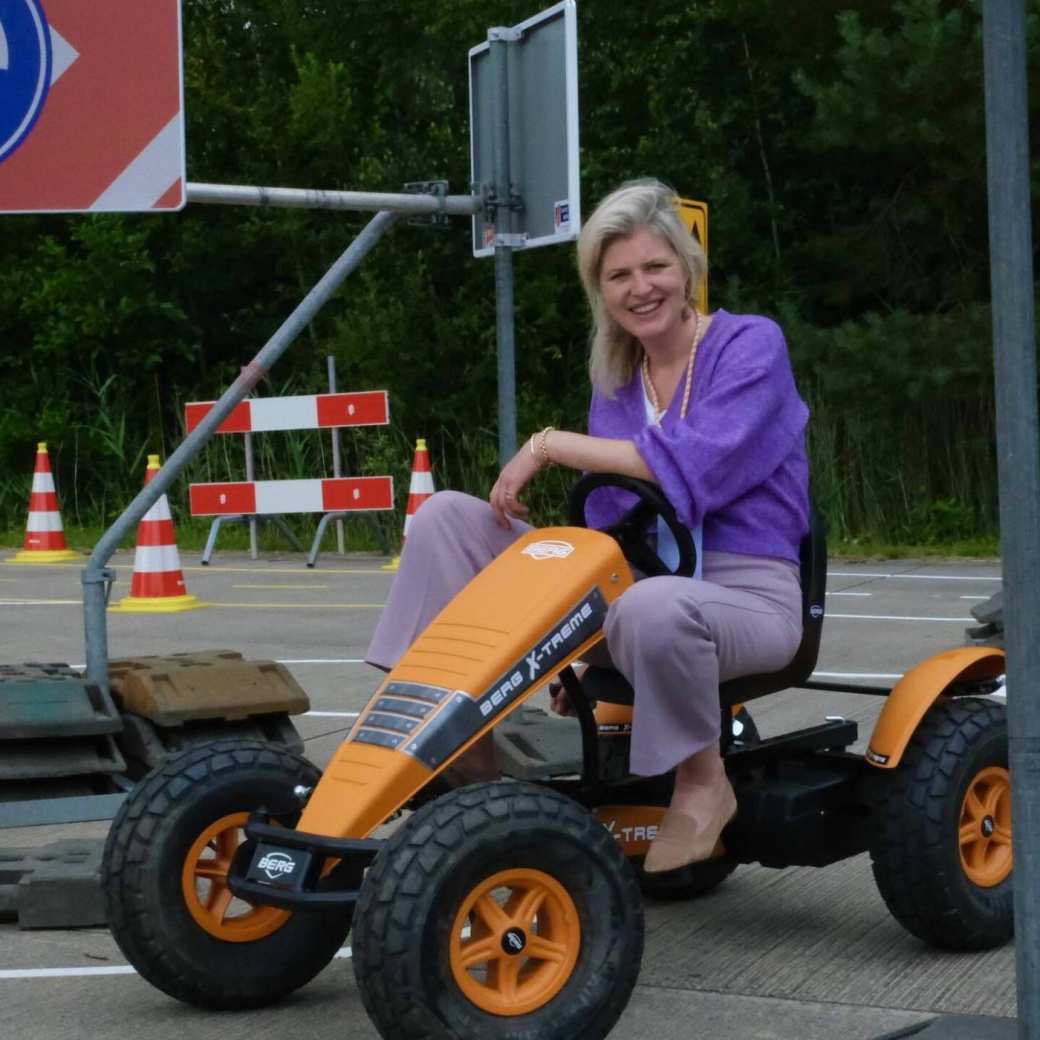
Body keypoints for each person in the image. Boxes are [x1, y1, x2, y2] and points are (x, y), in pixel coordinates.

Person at [367, 178, 810, 873]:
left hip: (745, 594)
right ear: (600, 289)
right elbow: (605, 527)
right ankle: (459, 750)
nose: (641, 288)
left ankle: (703, 781)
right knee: (446, 519)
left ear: (687, 268)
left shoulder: (751, 346)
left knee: (651, 605)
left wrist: (547, 444)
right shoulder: (618, 377)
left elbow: (693, 467)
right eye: (618, 275)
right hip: (629, 590)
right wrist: (568, 640)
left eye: (655, 266)